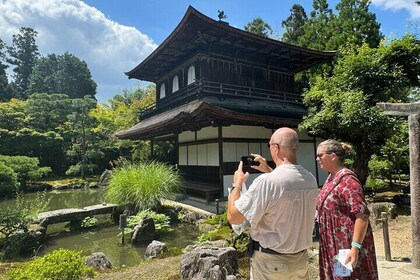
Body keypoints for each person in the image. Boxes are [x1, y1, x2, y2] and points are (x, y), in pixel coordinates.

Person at [227, 127, 319, 280]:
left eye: (269, 146)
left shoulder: (266, 182)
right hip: (300, 261)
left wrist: (237, 185)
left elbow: (234, 217)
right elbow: (284, 188)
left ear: (276, 148)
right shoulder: (310, 178)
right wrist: (269, 169)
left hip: (271, 264)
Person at [316, 139, 378, 279]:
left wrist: (355, 248)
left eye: (320, 155)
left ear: (333, 156)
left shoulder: (348, 180)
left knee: (345, 276)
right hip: (332, 242)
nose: (317, 159)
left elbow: (362, 216)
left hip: (345, 245)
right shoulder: (331, 177)